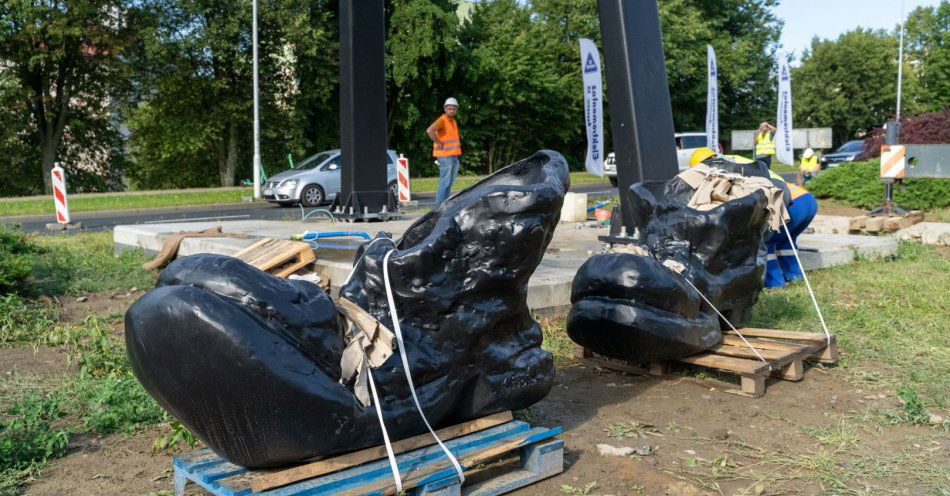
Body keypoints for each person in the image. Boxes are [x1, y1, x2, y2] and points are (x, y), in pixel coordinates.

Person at [689, 147, 817, 289]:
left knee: (764, 243)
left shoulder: (719, 167)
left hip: (786, 200)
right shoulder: (736, 159)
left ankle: (775, 284)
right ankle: (795, 278)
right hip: (805, 200)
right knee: (785, 243)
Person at [427, 97, 462, 206]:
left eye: (453, 109)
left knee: (449, 183)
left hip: (453, 156)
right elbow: (430, 130)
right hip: (445, 156)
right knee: (445, 182)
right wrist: (439, 142)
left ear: (456, 110)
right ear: (445, 109)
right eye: (449, 109)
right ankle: (438, 207)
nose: (451, 111)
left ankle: (444, 205)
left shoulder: (453, 121)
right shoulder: (442, 120)